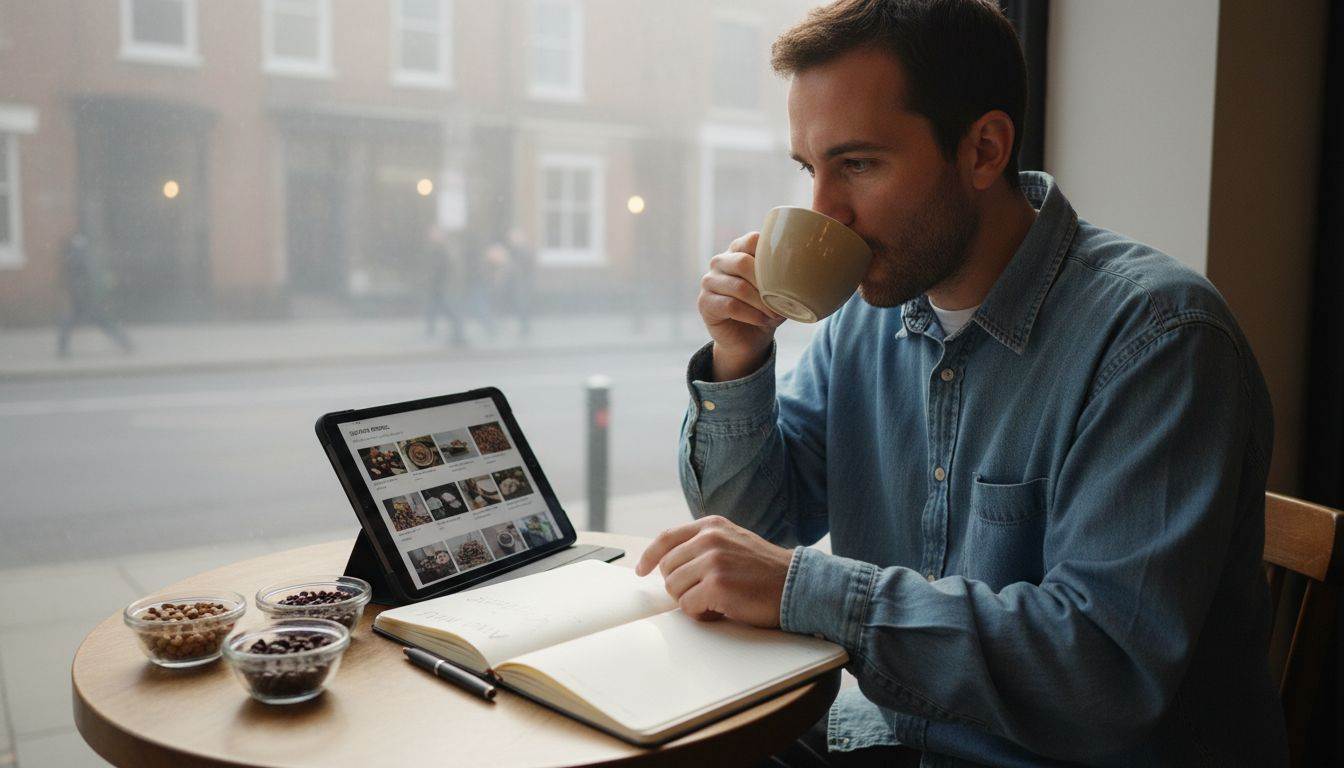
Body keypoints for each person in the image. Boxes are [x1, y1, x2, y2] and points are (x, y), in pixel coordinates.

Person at [634, 1, 1287, 765]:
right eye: (809, 169)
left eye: (859, 164)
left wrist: (806, 590)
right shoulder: (869, 316)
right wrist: (738, 362)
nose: (825, 212)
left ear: (983, 151)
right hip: (896, 737)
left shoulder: (1159, 341)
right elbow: (755, 537)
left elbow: (1106, 670)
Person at [57, 229, 134, 357]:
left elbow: (80, 279)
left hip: (83, 299)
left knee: (72, 322)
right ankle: (125, 343)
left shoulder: (76, 255)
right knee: (104, 322)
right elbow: (86, 279)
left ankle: (62, 349)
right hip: (86, 299)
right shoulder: (84, 255)